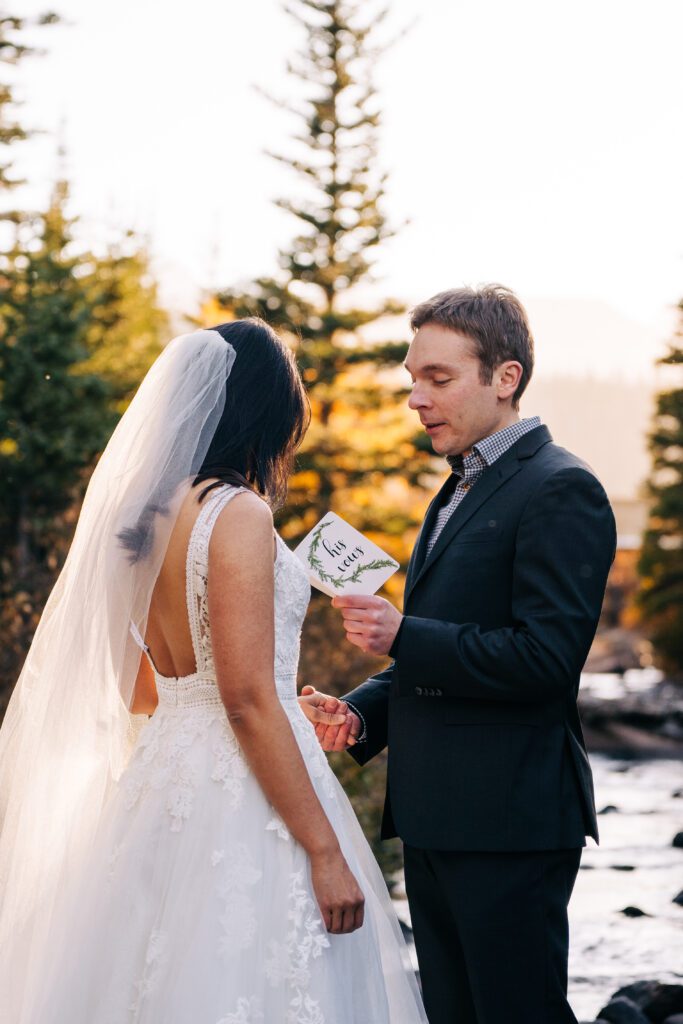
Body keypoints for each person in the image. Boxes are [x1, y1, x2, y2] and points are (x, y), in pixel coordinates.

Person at [0, 320, 426, 1023]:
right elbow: (243, 700)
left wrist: (281, 702)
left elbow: (143, 692)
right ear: (264, 412)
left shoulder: (142, 521)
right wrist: (323, 851)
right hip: (243, 794)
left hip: (164, 777)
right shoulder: (238, 514)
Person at [299, 285, 617, 1024]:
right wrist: (361, 708)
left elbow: (544, 660)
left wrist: (402, 631)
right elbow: (445, 648)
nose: (416, 397)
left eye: (437, 379)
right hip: (435, 814)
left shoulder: (560, 488)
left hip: (509, 821)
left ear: (504, 378)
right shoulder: (454, 492)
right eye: (413, 378)